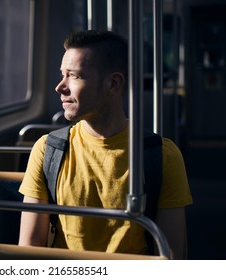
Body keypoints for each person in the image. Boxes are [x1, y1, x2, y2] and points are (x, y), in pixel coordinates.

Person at [17, 30, 193, 259]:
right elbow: (29, 248)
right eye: (63, 75)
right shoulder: (48, 150)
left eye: (74, 76)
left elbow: (170, 256)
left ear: (113, 83)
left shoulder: (162, 156)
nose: (60, 87)